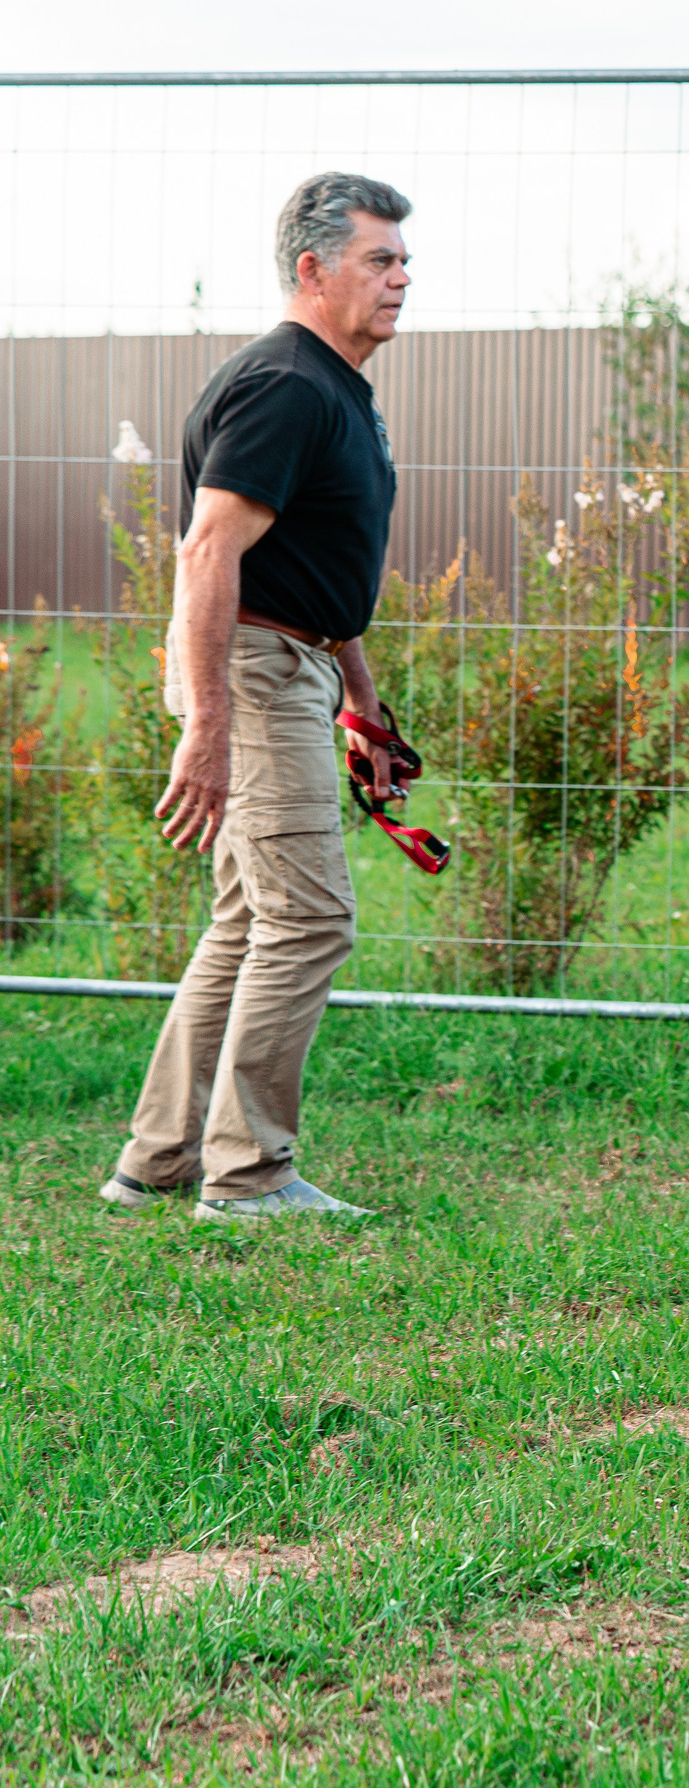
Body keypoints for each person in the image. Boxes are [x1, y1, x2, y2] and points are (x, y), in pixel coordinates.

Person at [98, 172, 412, 1222]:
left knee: (249, 919)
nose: (401, 277)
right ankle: (249, 1175)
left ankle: (159, 1159)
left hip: (295, 667)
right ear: (313, 269)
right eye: (380, 258)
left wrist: (360, 698)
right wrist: (210, 728)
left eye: (404, 259)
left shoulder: (334, 391)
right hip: (252, 670)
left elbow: (320, 568)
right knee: (309, 917)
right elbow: (208, 551)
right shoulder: (285, 384)